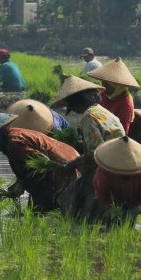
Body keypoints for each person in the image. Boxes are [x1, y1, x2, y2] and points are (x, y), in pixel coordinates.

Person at [0, 112, 80, 213]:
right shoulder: (13, 136)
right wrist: (19, 183)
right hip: (66, 165)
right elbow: (30, 167)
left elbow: (43, 165)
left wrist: (22, 184)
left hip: (65, 169)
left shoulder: (14, 143)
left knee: (44, 212)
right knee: (38, 211)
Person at [51, 75, 125, 220]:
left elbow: (96, 153)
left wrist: (73, 163)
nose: (75, 112)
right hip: (122, 162)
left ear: (80, 102)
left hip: (108, 167)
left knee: (69, 198)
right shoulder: (103, 112)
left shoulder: (88, 116)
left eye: (74, 107)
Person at [87, 58, 140, 133]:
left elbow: (123, 132)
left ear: (117, 85)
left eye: (107, 84)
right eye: (103, 83)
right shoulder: (103, 95)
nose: (104, 86)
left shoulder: (125, 104)